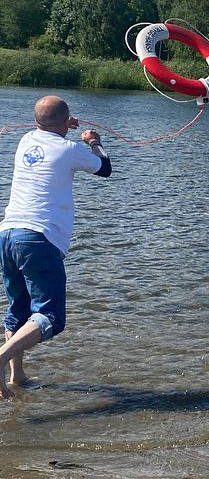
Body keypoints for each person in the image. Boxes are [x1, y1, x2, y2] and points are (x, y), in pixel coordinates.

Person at [0, 95, 112, 399]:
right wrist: (93, 141)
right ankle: (1, 357)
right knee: (50, 317)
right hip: (38, 239)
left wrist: (62, 124)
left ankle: (17, 376)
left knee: (18, 309)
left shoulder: (25, 140)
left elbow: (48, 127)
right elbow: (105, 169)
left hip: (8, 234)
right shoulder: (71, 149)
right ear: (66, 122)